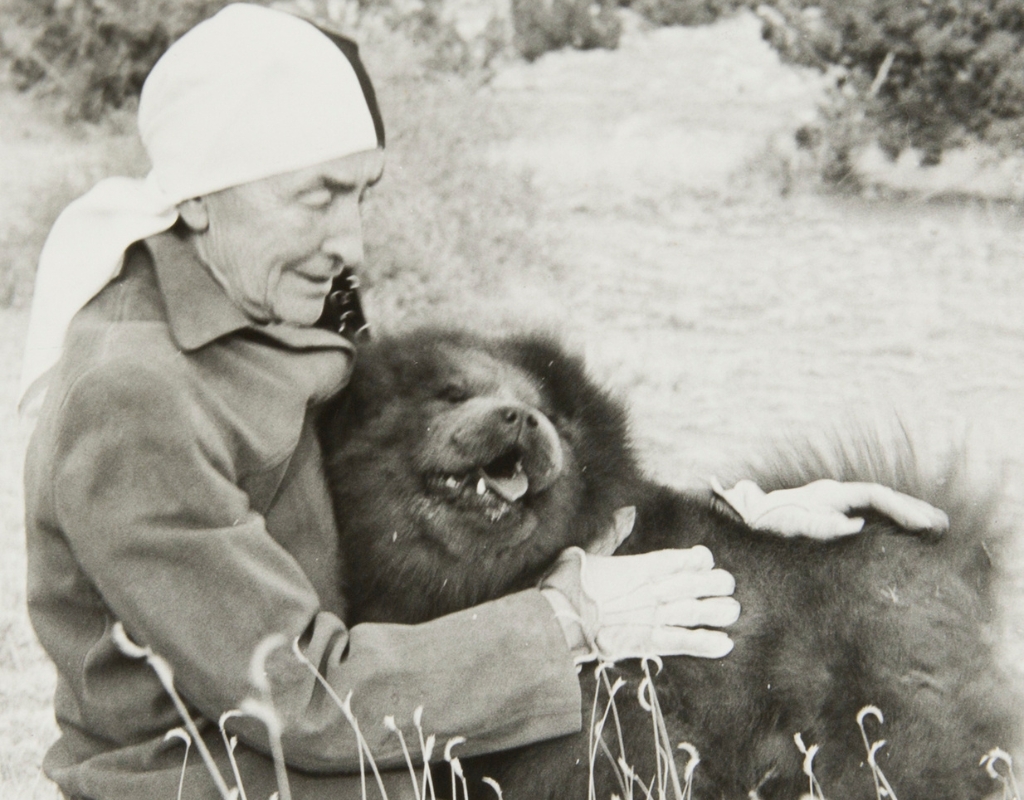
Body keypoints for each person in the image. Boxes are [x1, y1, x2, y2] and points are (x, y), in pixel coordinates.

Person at [19, 5, 948, 799]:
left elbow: (424, 514)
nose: (352, 239)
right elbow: (298, 693)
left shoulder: (272, 309)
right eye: (317, 198)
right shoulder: (136, 397)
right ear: (200, 198)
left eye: (362, 196)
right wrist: (570, 622)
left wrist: (739, 526)